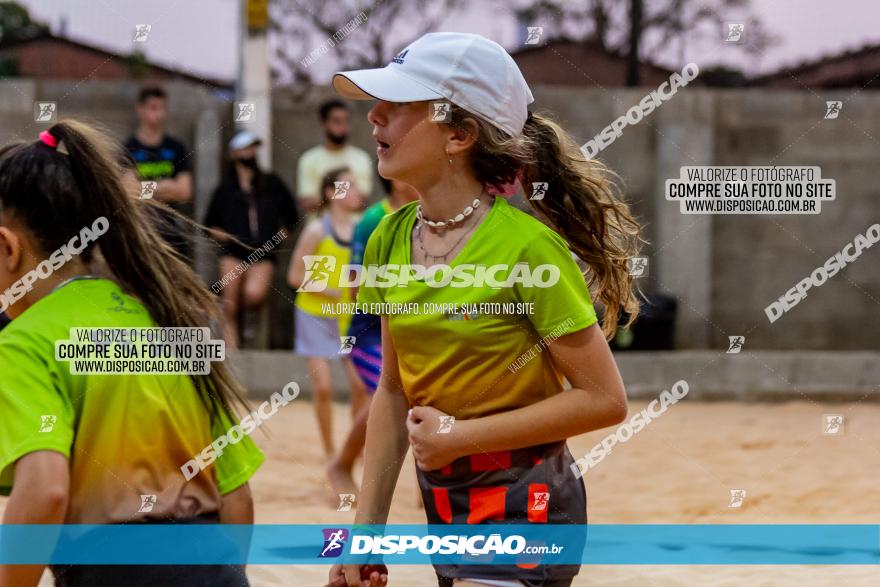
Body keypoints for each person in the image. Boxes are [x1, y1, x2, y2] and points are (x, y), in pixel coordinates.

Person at [327, 32, 642, 587]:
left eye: (398, 104)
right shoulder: (388, 240)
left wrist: (459, 437)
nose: (373, 115)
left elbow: (604, 400)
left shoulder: (528, 249)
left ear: (459, 134)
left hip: (529, 506)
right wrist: (365, 534)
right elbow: (395, 391)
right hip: (446, 513)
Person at [0, 121, 264, 587]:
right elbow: (237, 498)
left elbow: (44, 490)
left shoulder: (26, 342)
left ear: (7, 247)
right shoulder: (168, 321)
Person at [326, 176, 418, 496]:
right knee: (388, 391)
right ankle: (342, 463)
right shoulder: (373, 220)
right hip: (371, 329)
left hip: (411, 324)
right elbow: (355, 283)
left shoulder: (426, 213)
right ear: (394, 180)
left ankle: (425, 485)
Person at [287, 167, 364, 462]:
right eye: (349, 185)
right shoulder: (317, 229)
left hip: (346, 316)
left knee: (361, 387)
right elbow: (295, 276)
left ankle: (352, 449)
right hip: (314, 314)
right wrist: (331, 290)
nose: (357, 190)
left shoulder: (361, 228)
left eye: (356, 185)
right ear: (331, 192)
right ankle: (330, 451)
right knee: (323, 388)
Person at [204, 130, 301, 348]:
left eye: (252, 148)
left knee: (254, 294)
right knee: (229, 304)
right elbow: (209, 223)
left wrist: (282, 233)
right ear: (234, 154)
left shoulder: (271, 183)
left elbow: (292, 215)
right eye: (245, 148)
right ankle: (233, 351)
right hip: (233, 252)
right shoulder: (225, 189)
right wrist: (223, 235)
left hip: (263, 252)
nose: (250, 153)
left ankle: (244, 316)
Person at [125, 86, 195, 261]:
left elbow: (184, 192)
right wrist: (166, 186)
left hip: (171, 231)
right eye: (153, 108)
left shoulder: (176, 147)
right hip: (140, 231)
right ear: (140, 109)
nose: (159, 114)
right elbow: (129, 192)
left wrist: (145, 189)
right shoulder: (129, 148)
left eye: (162, 108)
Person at [296, 100, 374, 214]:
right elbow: (306, 202)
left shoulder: (362, 158)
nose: (343, 127)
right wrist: (347, 193)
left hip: (354, 228)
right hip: (321, 229)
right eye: (336, 121)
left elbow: (362, 200)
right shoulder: (308, 159)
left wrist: (328, 193)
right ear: (323, 123)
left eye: (346, 121)